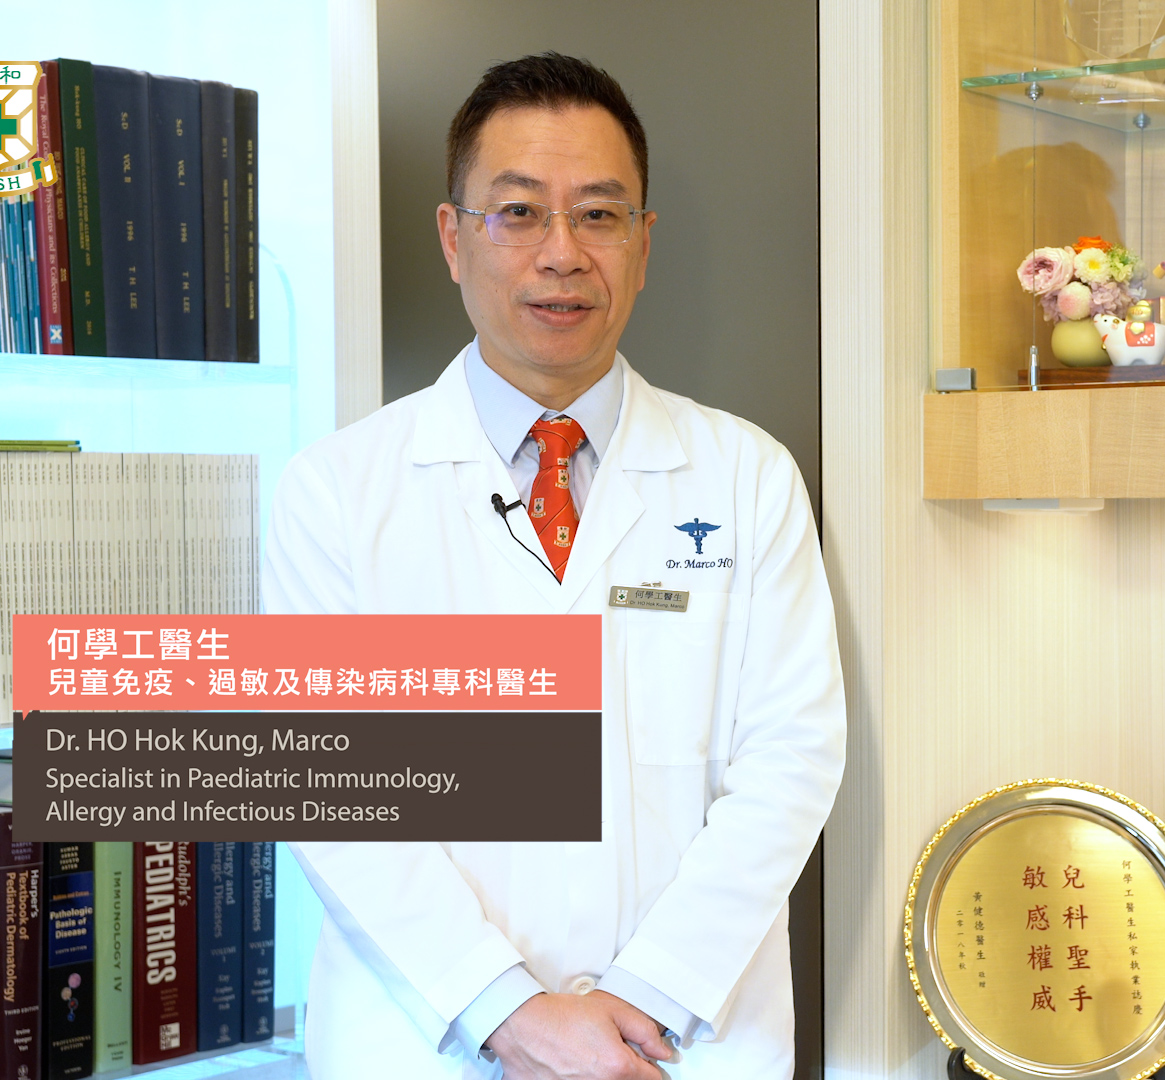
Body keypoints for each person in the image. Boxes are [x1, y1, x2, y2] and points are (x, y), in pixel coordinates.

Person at [264, 53, 846, 1079]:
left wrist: (641, 1001)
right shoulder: (336, 492)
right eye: (519, 213)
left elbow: (790, 761)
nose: (563, 254)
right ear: (454, 238)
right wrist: (510, 1013)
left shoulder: (748, 476)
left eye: (599, 216)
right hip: (432, 1045)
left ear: (643, 244)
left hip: (678, 1042)